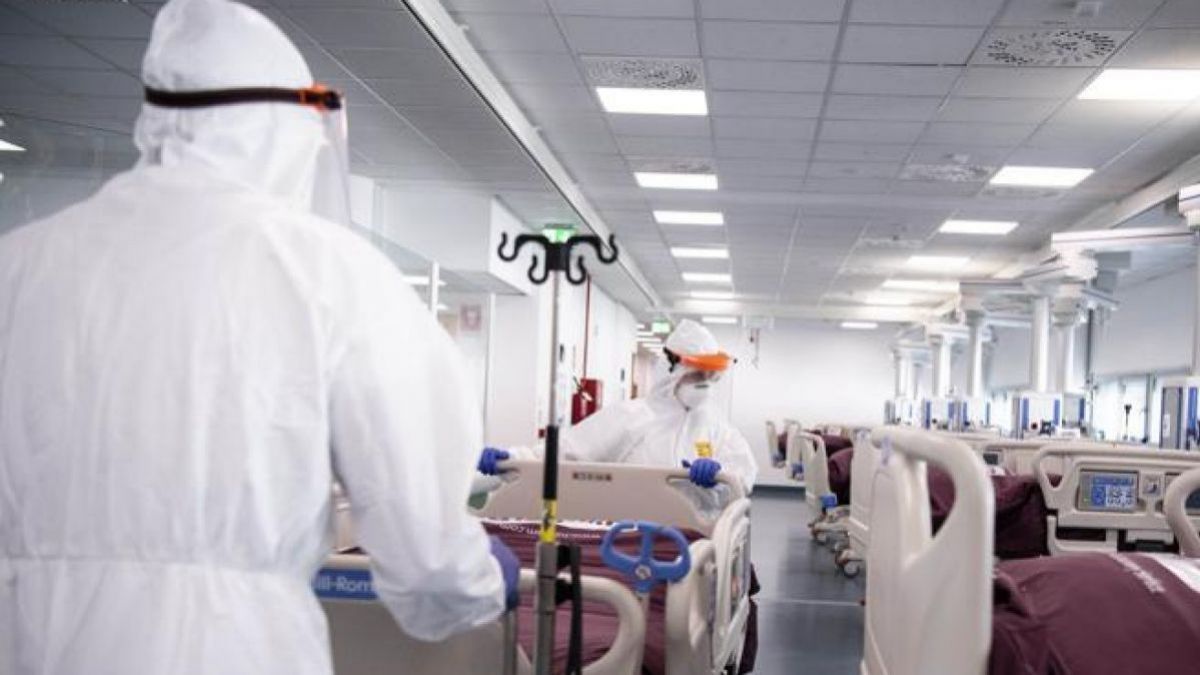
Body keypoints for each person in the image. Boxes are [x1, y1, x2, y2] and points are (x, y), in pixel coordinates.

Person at [0, 0, 516, 673]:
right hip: (232, 649)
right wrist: (482, 580)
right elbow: (426, 558)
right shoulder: (331, 274)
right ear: (286, 127)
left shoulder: (19, 266)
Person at [479, 319, 758, 493]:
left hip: (699, 542)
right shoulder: (631, 417)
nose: (704, 384)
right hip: (630, 536)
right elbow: (567, 452)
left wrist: (719, 473)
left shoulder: (717, 428)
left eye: (710, 376)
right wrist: (511, 459)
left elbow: (744, 471)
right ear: (671, 372)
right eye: (696, 375)